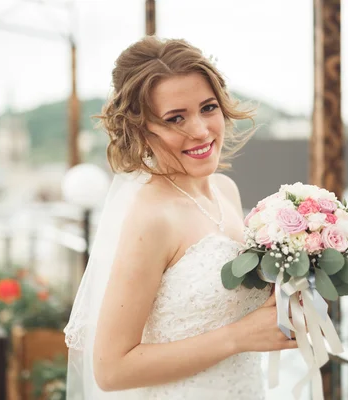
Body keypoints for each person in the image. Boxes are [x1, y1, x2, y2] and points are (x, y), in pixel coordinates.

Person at [63, 36, 297, 400]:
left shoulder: (225, 190)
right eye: (175, 118)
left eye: (208, 108)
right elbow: (110, 370)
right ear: (142, 129)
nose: (201, 131)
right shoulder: (150, 218)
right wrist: (239, 337)